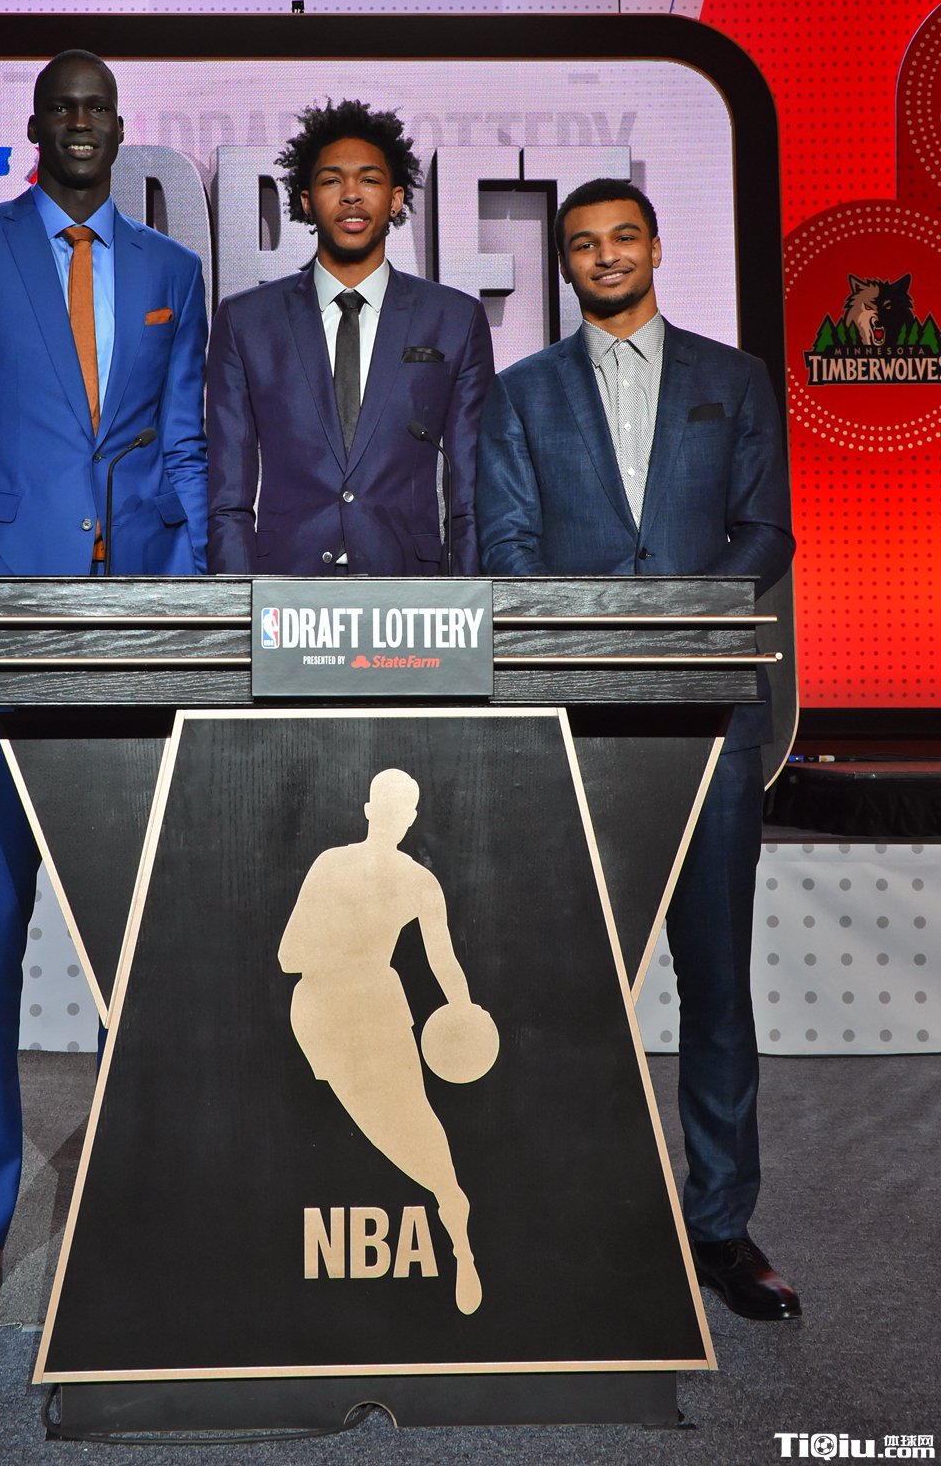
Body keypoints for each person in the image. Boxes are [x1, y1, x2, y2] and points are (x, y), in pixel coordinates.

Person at [0, 50, 208, 1329]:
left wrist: (186, 607)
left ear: (120, 131)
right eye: (62, 108)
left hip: (136, 643)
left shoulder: (172, 273)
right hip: (4, 640)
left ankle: (155, 1205)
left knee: (149, 937)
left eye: (98, 110)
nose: (81, 124)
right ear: (36, 127)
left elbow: (182, 448)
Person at [475, 178, 800, 1321]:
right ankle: (570, 1218)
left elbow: (766, 532)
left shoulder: (734, 381)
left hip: (711, 723)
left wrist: (674, 630)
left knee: (716, 987)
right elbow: (507, 553)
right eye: (583, 244)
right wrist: (603, 652)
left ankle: (721, 1227)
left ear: (657, 247)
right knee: (570, 989)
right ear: (563, 263)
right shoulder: (521, 393)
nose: (606, 256)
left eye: (624, 237)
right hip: (577, 727)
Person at [206, 98, 494, 575]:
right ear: (305, 201)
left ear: (396, 200)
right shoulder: (245, 321)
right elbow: (227, 498)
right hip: (283, 586)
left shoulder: (454, 318)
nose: (352, 195)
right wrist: (238, 599)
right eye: (331, 180)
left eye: (370, 180)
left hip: (411, 587)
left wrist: (467, 598)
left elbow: (471, 492)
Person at [278, 769, 496, 1315]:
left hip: (369, 1006)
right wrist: (459, 1006)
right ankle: (449, 1205)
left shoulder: (404, 879)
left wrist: (464, 1012)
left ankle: (455, 1224)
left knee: (411, 1122)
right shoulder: (351, 869)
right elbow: (288, 955)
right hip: (330, 1010)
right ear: (382, 813)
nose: (396, 818)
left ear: (384, 813)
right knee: (390, 1126)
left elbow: (445, 963)